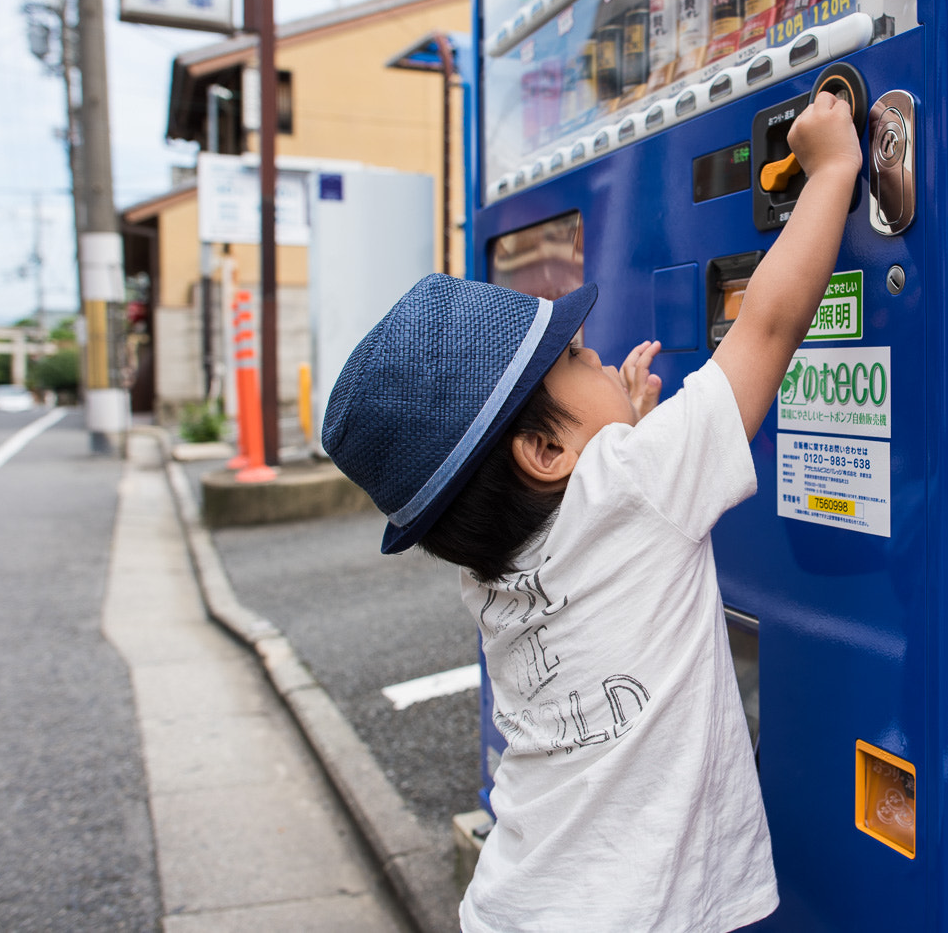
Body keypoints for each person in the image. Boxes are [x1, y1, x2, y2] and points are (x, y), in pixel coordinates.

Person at [322, 89, 863, 932]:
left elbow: (592, 535)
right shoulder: (635, 485)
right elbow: (763, 330)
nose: (601, 352)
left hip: (522, 901)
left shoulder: (493, 572)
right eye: (575, 355)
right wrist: (832, 168)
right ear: (544, 454)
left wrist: (625, 435)